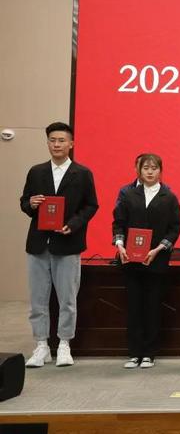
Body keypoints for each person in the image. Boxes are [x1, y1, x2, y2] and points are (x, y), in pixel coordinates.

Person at [20, 122, 99, 368]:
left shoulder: (82, 173)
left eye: (61, 140)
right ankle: (41, 345)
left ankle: (64, 344)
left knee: (67, 299)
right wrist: (31, 204)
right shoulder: (36, 171)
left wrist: (73, 225)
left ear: (71, 144)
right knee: (38, 299)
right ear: (47, 143)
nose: (57, 144)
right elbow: (25, 202)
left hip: (68, 243)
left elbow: (91, 205)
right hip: (38, 244)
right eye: (52, 140)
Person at [113, 154, 180, 369]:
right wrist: (120, 244)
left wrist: (158, 249)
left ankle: (149, 354)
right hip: (130, 260)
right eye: (146, 168)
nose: (150, 172)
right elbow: (118, 223)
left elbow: (175, 228)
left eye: (154, 168)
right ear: (138, 170)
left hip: (156, 261)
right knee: (134, 307)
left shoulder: (168, 197)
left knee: (152, 307)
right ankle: (134, 353)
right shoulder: (128, 194)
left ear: (160, 170)